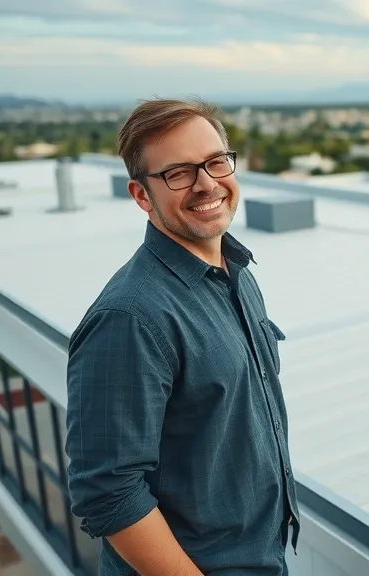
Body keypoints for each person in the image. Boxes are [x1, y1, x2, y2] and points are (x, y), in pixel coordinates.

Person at [64, 97, 299, 576]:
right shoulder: (129, 317)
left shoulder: (236, 274)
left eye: (216, 162)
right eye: (179, 172)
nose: (207, 183)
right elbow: (107, 493)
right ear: (141, 195)